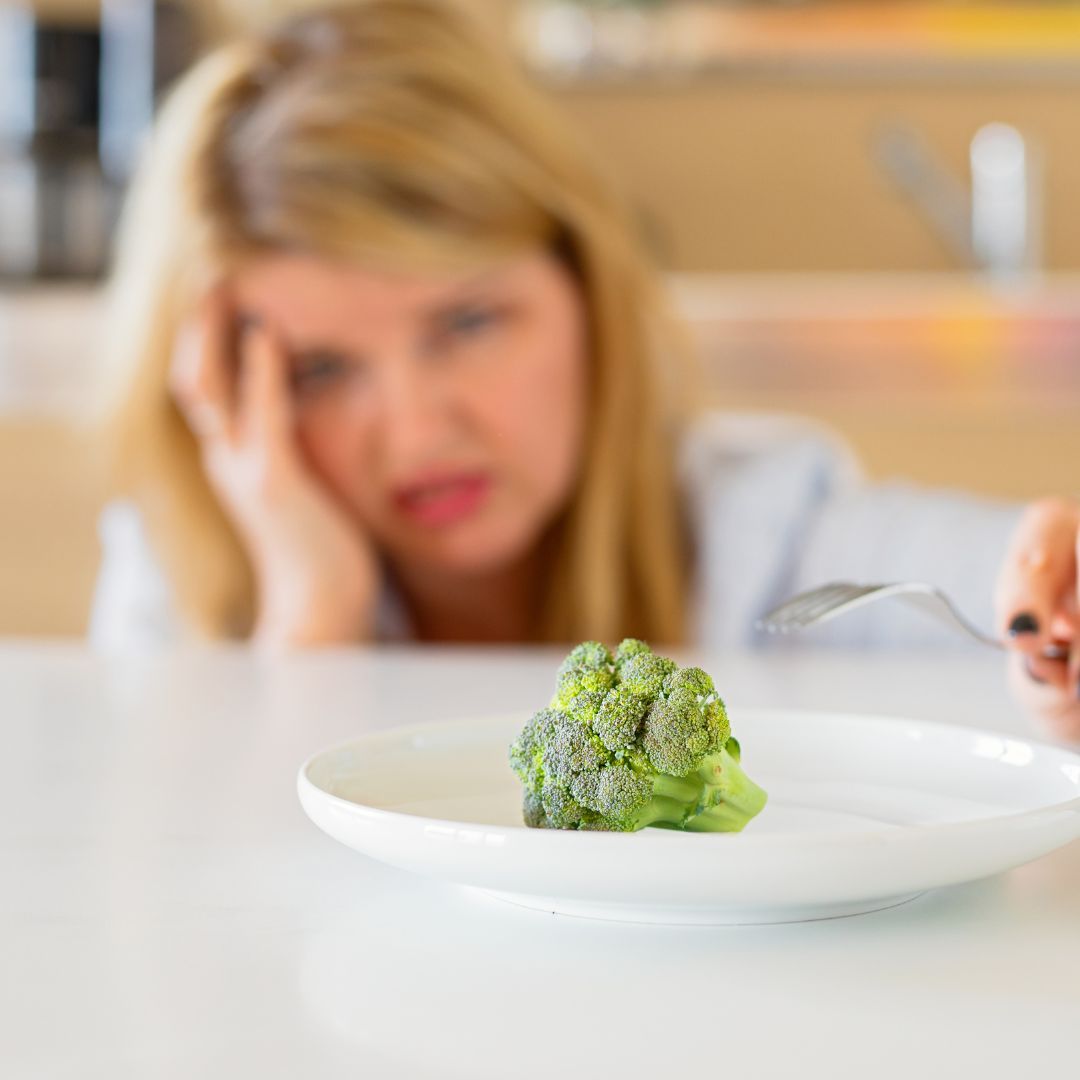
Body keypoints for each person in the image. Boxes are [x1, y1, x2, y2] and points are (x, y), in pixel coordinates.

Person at [91, 0, 1079, 743]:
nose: (419, 430)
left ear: (586, 290)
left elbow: (983, 577)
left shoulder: (756, 528)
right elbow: (216, 887)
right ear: (221, 390)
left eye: (467, 322)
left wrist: (1053, 601)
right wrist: (314, 612)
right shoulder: (182, 579)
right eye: (318, 369)